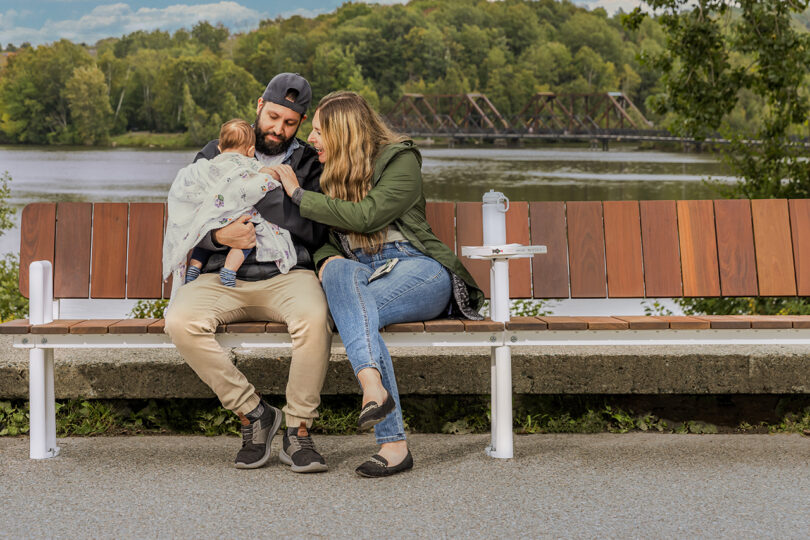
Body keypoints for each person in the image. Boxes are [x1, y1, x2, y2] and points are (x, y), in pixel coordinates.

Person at [271, 91, 484, 477]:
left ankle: (389, 431)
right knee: (338, 276)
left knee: (355, 315)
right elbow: (320, 239)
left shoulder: (400, 160)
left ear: (344, 132)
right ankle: (378, 400)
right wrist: (325, 259)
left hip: (418, 269)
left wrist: (299, 196)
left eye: (319, 131)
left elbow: (368, 216)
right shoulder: (328, 169)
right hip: (359, 273)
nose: (312, 139)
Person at [164, 73, 332, 473]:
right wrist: (219, 236)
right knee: (180, 321)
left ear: (302, 122)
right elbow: (188, 212)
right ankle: (255, 414)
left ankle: (299, 429)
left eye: (290, 123)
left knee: (315, 318)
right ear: (260, 105)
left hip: (286, 273)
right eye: (273, 116)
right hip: (223, 275)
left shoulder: (308, 161)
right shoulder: (215, 151)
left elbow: (316, 228)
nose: (278, 129)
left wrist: (266, 194)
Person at [163, 118, 296, 295]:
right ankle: (229, 270)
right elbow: (264, 178)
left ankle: (194, 268)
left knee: (203, 231)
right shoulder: (248, 163)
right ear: (250, 151)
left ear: (219, 148)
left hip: (212, 217)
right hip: (237, 217)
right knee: (248, 236)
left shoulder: (211, 164)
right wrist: (278, 175)